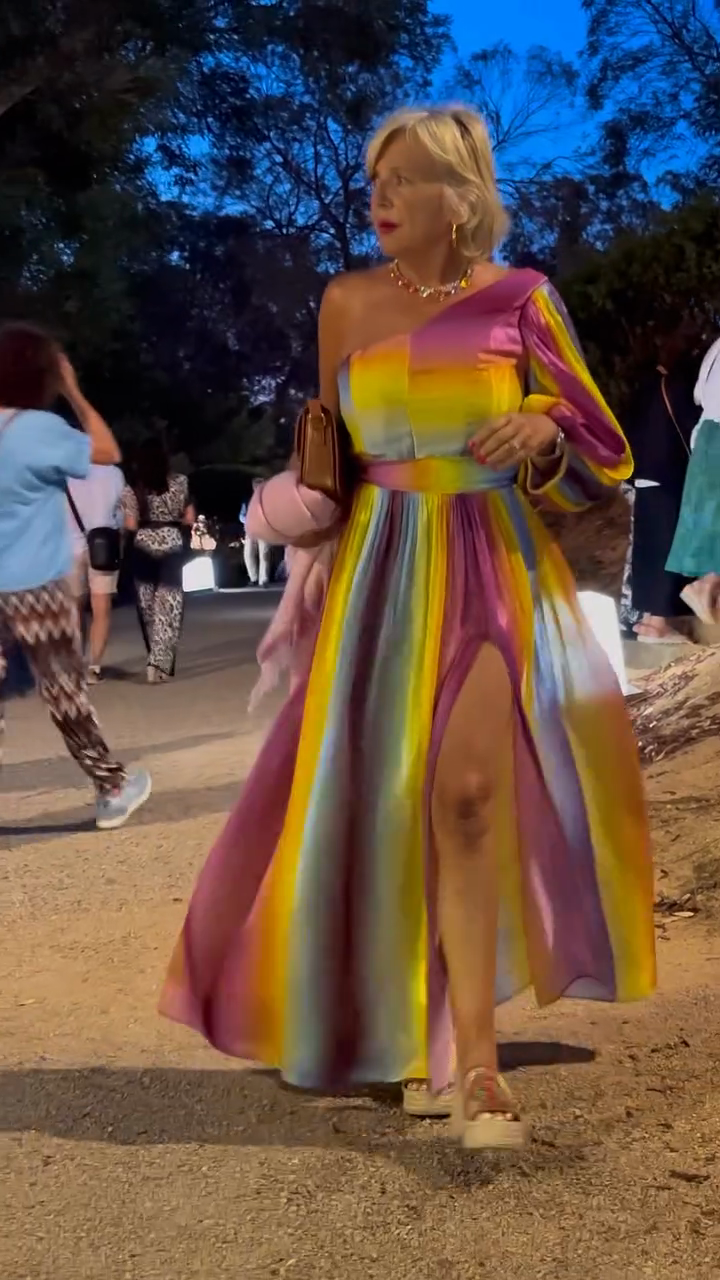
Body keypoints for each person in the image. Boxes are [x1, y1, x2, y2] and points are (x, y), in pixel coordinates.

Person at [160, 107, 655, 1150]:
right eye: (375, 178)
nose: (380, 197)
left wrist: (541, 428)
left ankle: (475, 1059)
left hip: (492, 560)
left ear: (461, 198)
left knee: (469, 796)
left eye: (406, 178)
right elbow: (328, 461)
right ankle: (401, 1022)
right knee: (385, 801)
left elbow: (602, 449)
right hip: (378, 574)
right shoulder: (346, 302)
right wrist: (285, 538)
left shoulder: (524, 299)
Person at [0, 323, 152, 828]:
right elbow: (107, 451)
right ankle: (111, 788)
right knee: (63, 690)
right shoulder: (37, 428)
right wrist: (74, 392)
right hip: (34, 585)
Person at [623, 336, 700, 642]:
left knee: (647, 549)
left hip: (643, 477)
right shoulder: (674, 386)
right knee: (667, 550)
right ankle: (658, 623)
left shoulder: (640, 391)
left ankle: (647, 620)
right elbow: (690, 429)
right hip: (668, 478)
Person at [123, 438, 195, 683]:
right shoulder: (181, 482)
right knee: (169, 605)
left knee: (148, 608)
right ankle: (159, 664)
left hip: (142, 547)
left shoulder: (133, 488)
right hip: (172, 545)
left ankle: (154, 658)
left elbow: (130, 524)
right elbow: (189, 517)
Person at [666, 334, 720, 620]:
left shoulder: (715, 350)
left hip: (707, 439)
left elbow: (699, 395)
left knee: (713, 526)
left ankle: (706, 585)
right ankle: (706, 586)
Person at [67, 461, 125, 681]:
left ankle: (74, 666)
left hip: (68, 547)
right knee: (102, 608)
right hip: (104, 546)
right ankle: (93, 667)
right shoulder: (114, 473)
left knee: (73, 609)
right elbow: (121, 512)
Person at [241, 481, 272, 587]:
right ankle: (253, 578)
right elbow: (241, 515)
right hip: (251, 529)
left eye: (260, 484)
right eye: (255, 484)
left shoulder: (268, 499)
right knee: (248, 553)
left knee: (264, 554)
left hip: (264, 529)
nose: (257, 486)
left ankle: (264, 579)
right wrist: (249, 521)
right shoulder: (247, 500)